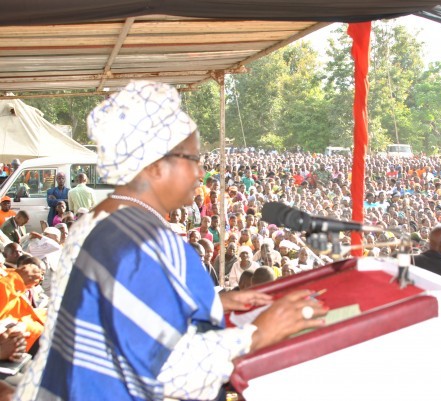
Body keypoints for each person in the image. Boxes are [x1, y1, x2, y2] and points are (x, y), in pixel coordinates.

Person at [15, 81, 328, 401]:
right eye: (192, 158)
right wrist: (259, 334)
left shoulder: (97, 222)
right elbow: (171, 369)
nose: (201, 173)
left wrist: (205, 305)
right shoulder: (149, 244)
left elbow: (118, 316)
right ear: (153, 167)